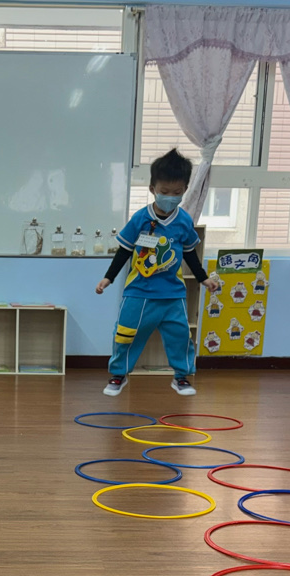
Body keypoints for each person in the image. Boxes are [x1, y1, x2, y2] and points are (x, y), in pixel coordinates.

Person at [95, 148, 220, 397]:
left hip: (172, 294)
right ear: (153, 188)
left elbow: (189, 254)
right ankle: (119, 374)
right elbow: (124, 251)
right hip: (139, 292)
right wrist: (108, 277)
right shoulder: (140, 218)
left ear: (185, 190)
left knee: (180, 336)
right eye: (165, 191)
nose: (170, 197)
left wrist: (204, 278)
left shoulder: (183, 221)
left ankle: (181, 377)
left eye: (177, 192)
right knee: (125, 334)